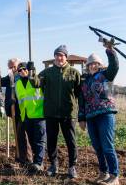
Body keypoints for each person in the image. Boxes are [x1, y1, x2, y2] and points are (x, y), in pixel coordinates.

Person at [36, 45, 81, 178]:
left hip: (68, 113)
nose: (59, 57)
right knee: (52, 140)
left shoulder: (74, 73)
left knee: (71, 141)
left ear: (66, 57)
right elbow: (36, 83)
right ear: (54, 57)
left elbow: (79, 93)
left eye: (62, 55)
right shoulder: (47, 72)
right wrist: (32, 73)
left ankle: (72, 166)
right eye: (57, 55)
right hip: (51, 113)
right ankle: (53, 165)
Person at [78, 42, 120, 185]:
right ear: (87, 66)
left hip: (105, 114)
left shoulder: (106, 74)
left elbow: (115, 66)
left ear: (100, 64)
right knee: (97, 146)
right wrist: (81, 118)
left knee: (107, 145)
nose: (92, 66)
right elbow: (81, 101)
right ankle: (104, 173)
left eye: (95, 63)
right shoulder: (84, 81)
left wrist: (110, 51)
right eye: (90, 64)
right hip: (90, 117)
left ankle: (114, 176)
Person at [0, 58, 32, 165]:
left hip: (23, 111)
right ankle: (20, 158)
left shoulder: (24, 76)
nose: (13, 69)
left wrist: (16, 101)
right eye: (10, 67)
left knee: (23, 135)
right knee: (19, 135)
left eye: (14, 66)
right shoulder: (11, 77)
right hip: (14, 111)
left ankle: (27, 159)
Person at [14, 62, 46, 173]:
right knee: (32, 141)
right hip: (26, 116)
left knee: (40, 140)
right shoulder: (17, 84)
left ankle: (39, 163)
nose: (22, 71)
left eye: (24, 69)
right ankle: (37, 162)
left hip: (39, 115)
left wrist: (33, 73)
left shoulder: (37, 80)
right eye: (20, 70)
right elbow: (20, 101)